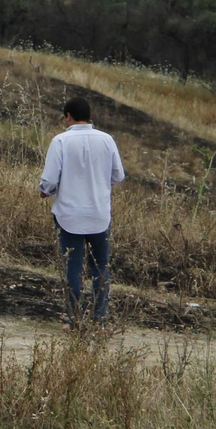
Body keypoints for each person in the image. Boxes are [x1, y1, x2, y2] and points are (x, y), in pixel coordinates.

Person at [38, 96, 125, 329]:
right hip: (99, 214)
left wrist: (45, 191)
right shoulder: (107, 140)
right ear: (89, 115)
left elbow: (49, 180)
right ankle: (99, 319)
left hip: (69, 215)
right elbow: (118, 176)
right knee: (101, 268)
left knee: (72, 268)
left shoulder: (60, 141)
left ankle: (73, 318)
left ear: (68, 116)